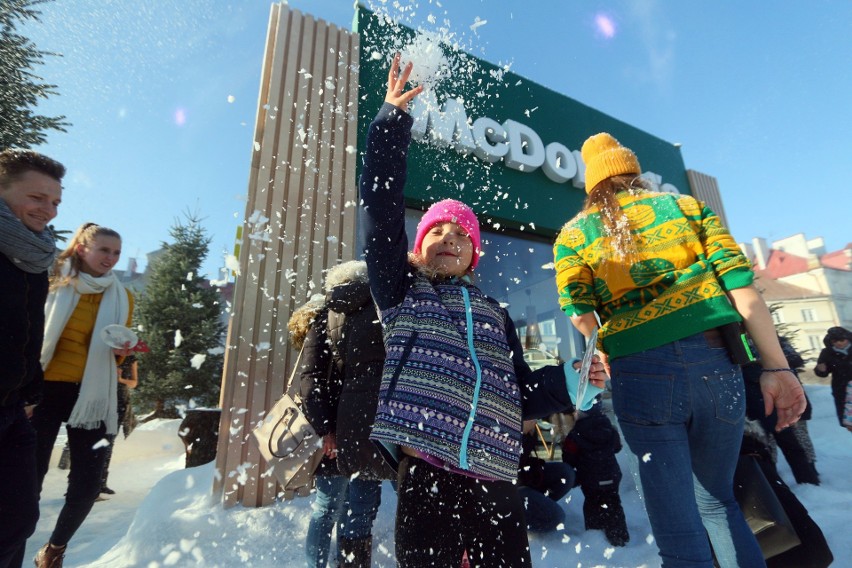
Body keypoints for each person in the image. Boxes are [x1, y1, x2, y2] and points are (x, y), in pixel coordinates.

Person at [358, 54, 607, 568]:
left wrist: (573, 379)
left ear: (475, 254)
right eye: (435, 231)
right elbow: (380, 208)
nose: (447, 238)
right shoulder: (401, 290)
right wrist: (390, 122)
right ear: (416, 245)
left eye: (460, 235)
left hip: (497, 474)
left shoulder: (493, 313)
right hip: (427, 468)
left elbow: (521, 393)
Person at [553, 132, 806, 568]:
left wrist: (610, 355)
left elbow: (580, 314)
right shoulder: (687, 208)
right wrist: (776, 367)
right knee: (719, 503)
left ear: (591, 184)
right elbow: (742, 289)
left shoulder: (575, 234)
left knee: (677, 524)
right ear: (635, 175)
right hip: (717, 367)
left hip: (641, 373)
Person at [29, 223, 134, 568]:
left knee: (89, 484)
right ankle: (13, 540)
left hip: (92, 394)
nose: (111, 258)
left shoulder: (123, 296)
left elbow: (119, 355)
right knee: (27, 477)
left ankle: (54, 550)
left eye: (116, 252)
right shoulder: (52, 282)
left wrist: (125, 349)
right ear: (81, 248)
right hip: (41, 389)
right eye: (104, 250)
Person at [289, 261, 396, 568]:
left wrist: (325, 429)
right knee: (360, 509)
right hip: (368, 430)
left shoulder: (325, 314)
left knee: (325, 508)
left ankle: (317, 565)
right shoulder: (380, 311)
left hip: (335, 434)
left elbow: (309, 380)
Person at [0, 149, 64, 568]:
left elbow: (27, 331)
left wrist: (28, 389)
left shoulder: (34, 256)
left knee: (19, 521)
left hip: (12, 408)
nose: (48, 210)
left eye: (56, 202)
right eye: (37, 197)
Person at [742, 337, 820, 484]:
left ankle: (802, 478)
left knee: (787, 447)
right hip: (765, 412)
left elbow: (794, 360)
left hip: (767, 412)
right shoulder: (745, 349)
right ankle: (804, 480)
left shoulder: (774, 344)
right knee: (783, 448)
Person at [561, 407, 630, 547]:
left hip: (589, 476)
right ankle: (619, 534)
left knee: (592, 502)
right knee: (614, 501)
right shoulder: (610, 429)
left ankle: (595, 535)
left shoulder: (575, 434)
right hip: (612, 474)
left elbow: (569, 457)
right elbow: (617, 447)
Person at [517, 420, 575, 533]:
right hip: (503, 488)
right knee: (556, 518)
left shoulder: (529, 421)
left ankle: (536, 507)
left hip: (522, 477)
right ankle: (513, 518)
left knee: (566, 473)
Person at [99, 353, 140, 495]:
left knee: (109, 441)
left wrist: (120, 379)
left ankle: (101, 482)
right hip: (101, 400)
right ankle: (86, 481)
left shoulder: (131, 359)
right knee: (95, 439)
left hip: (119, 403)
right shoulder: (104, 354)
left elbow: (134, 383)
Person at [814, 326, 852, 431]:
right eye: (835, 340)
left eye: (841, 340)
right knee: (849, 422)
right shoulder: (827, 353)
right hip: (842, 390)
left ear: (848, 338)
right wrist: (820, 370)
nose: (839, 343)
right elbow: (823, 372)